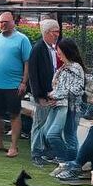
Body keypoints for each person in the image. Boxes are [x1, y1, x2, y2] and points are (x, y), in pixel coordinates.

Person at [0, 11, 32, 158]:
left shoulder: (22, 39)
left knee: (14, 114)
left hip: (13, 85)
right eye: (0, 22)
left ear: (13, 22)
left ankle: (13, 147)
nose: (3, 24)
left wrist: (24, 82)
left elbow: (27, 62)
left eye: (6, 22)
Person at [43, 38, 87, 166]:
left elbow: (76, 89)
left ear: (66, 51)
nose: (57, 53)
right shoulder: (65, 67)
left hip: (71, 107)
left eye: (59, 50)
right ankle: (68, 161)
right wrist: (54, 96)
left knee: (63, 136)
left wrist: (54, 95)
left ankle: (68, 162)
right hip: (60, 105)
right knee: (56, 134)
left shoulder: (75, 67)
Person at [27, 19, 61, 166]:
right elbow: (33, 75)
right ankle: (36, 153)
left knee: (48, 124)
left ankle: (47, 152)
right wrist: (39, 96)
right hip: (42, 95)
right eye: (55, 32)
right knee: (39, 124)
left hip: (51, 93)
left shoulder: (51, 48)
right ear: (47, 33)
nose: (57, 35)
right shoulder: (38, 49)